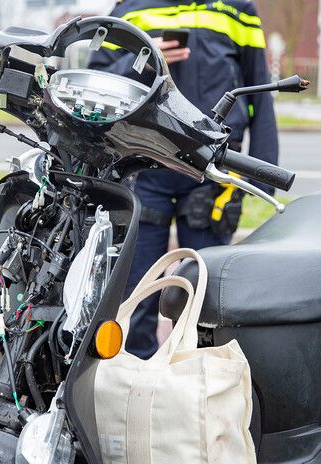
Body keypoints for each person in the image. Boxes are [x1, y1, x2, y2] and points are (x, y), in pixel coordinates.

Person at [89, 0, 279, 358]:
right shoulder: (130, 8)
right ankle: (132, 382)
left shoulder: (238, 9)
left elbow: (260, 94)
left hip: (212, 174)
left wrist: (262, 173)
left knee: (205, 296)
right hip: (142, 167)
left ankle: (195, 383)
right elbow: (97, 80)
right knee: (136, 292)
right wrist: (142, 59)